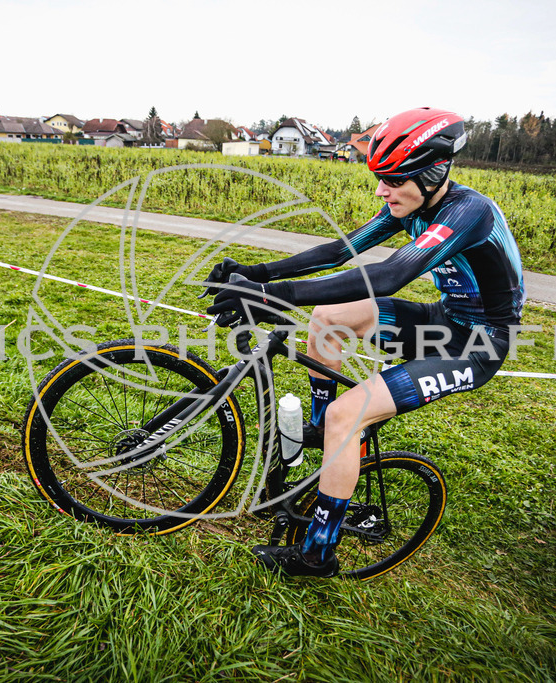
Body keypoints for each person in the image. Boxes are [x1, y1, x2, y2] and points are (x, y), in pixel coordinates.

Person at [203, 107, 525, 577]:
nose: (381, 190)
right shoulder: (414, 203)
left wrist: (273, 296)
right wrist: (256, 274)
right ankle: (323, 435)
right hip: (444, 318)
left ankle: (317, 553)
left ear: (433, 172)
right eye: (379, 178)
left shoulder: (468, 212)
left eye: (392, 179)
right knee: (327, 319)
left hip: (478, 345)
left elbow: (391, 275)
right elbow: (340, 250)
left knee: (346, 415)